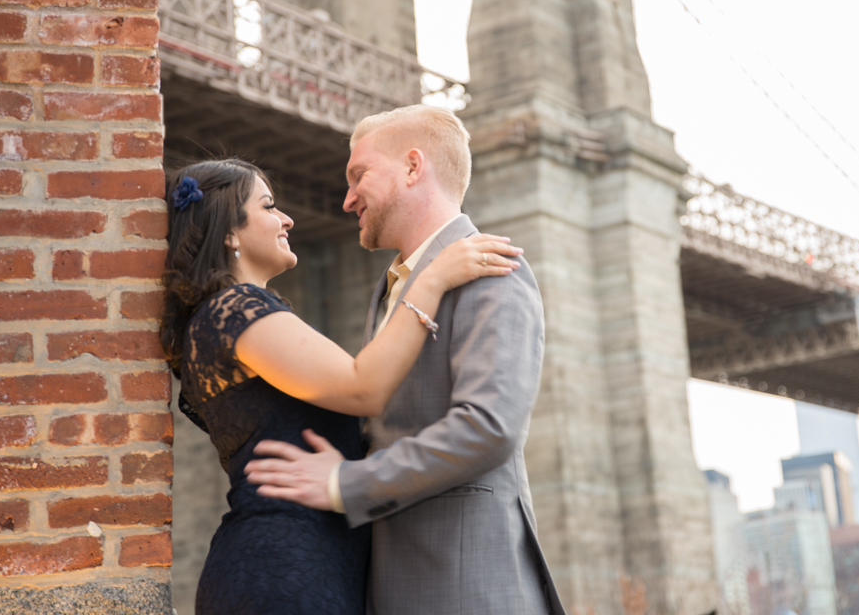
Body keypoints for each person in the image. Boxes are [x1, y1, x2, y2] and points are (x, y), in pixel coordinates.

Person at [161, 157, 523, 615]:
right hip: (286, 568)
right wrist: (433, 278)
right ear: (229, 233)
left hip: (301, 561)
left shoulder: (223, 316)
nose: (287, 218)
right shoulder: (237, 308)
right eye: (269, 206)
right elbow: (363, 388)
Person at [244, 105, 566, 614]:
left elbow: (489, 428)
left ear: (414, 167)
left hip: (465, 589)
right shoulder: (393, 285)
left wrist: (342, 482)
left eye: (359, 175)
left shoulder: (491, 269)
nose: (347, 199)